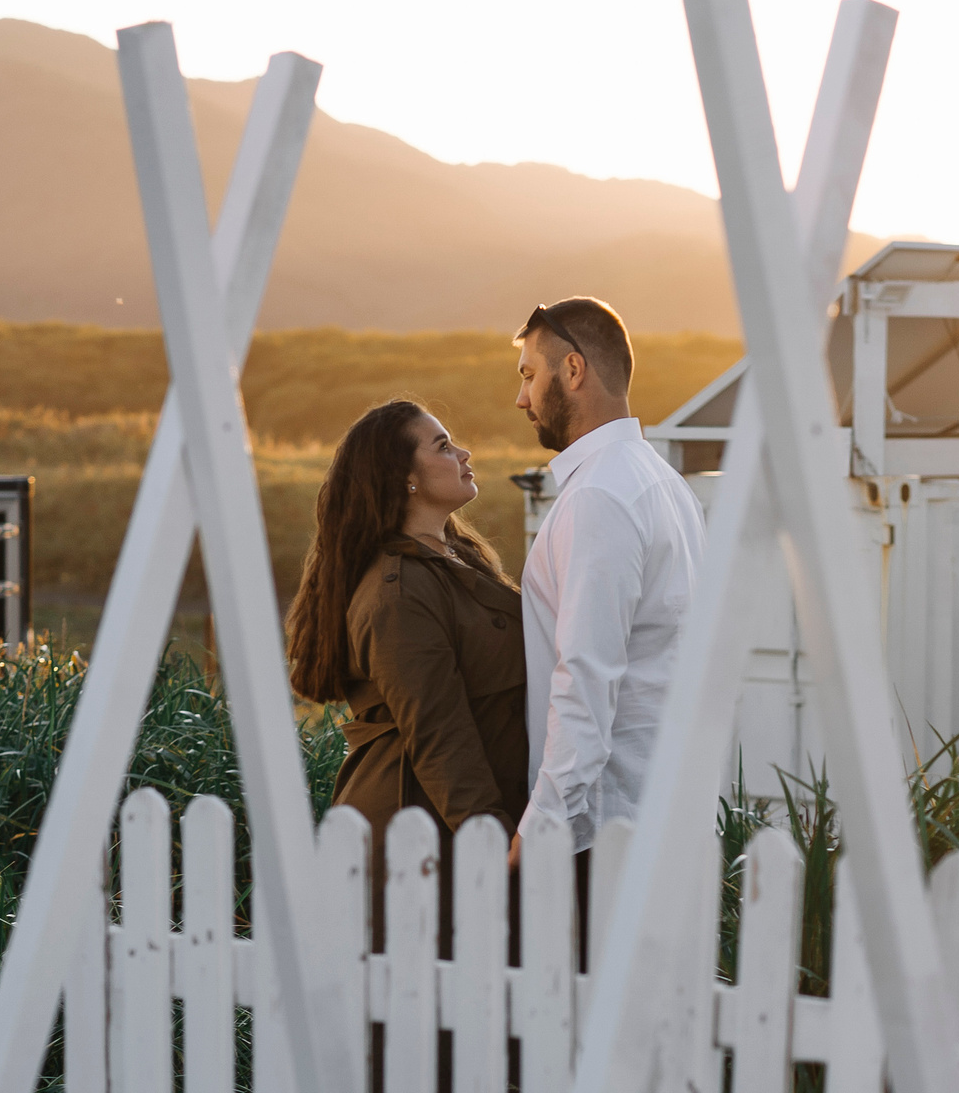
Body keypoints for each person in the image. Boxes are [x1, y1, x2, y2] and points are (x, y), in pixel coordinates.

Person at [286, 399, 526, 932]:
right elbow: (438, 732)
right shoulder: (398, 592)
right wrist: (489, 838)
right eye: (442, 446)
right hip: (421, 830)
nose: (463, 453)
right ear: (404, 478)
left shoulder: (456, 555)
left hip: (456, 821)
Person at [510, 297, 705, 902]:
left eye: (528, 376)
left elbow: (586, 677)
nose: (522, 399)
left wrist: (543, 821)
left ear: (572, 371)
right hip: (654, 809)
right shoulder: (661, 482)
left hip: (599, 829)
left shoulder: (600, 495)